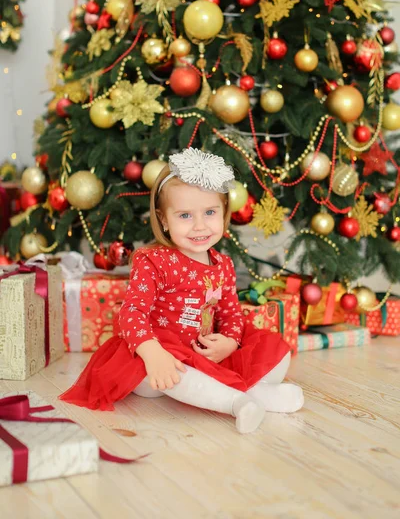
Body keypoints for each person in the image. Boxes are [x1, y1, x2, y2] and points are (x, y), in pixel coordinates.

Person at [60, 148, 304, 433]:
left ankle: (258, 394)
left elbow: (231, 314)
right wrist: (152, 354)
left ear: (224, 212)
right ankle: (238, 403)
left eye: (210, 212)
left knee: (275, 349)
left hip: (204, 352)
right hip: (155, 356)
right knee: (175, 374)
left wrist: (230, 342)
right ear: (164, 220)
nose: (200, 226)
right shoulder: (153, 261)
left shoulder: (222, 264)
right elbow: (131, 313)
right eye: (185, 215)